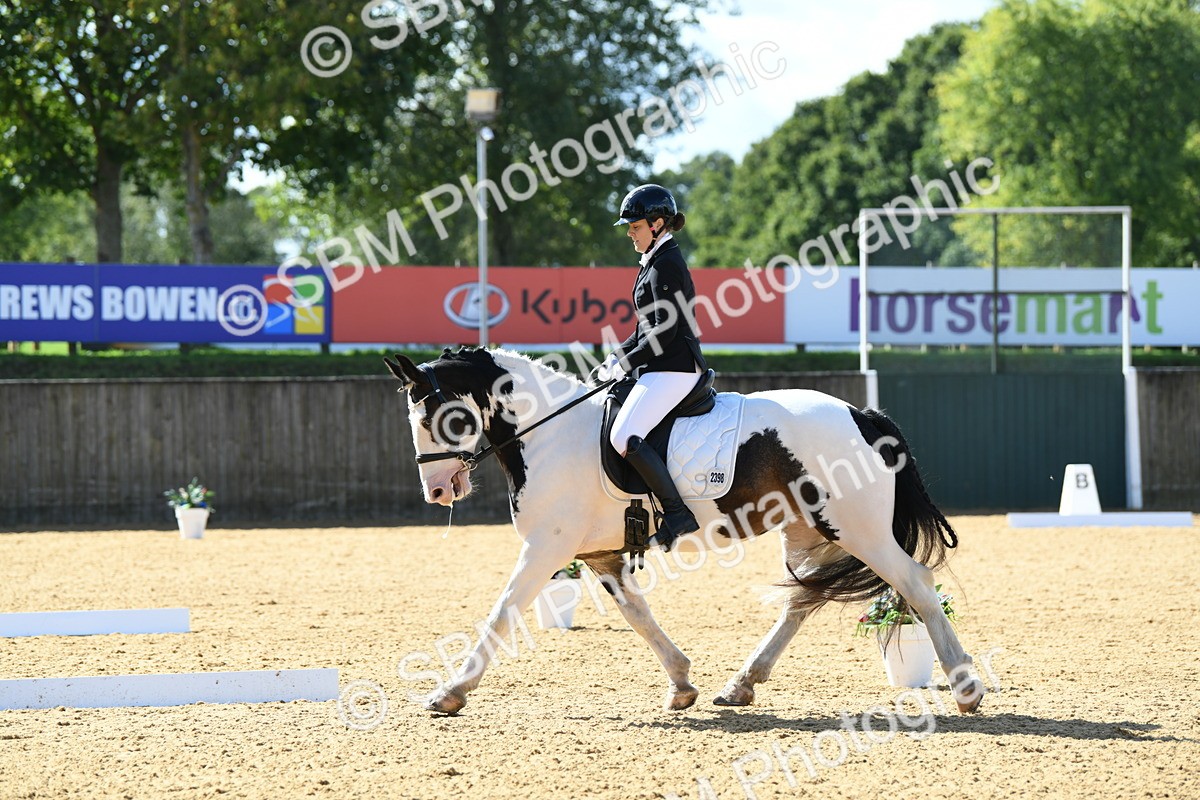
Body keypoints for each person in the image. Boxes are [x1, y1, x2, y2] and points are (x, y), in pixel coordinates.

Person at [595, 184, 707, 550]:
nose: (629, 233)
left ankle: (677, 513)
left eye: (635, 226)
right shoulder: (655, 262)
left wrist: (626, 361)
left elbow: (664, 330)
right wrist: (617, 356)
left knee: (624, 436)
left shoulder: (666, 264)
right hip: (660, 367)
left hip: (675, 368)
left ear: (657, 224)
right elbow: (645, 328)